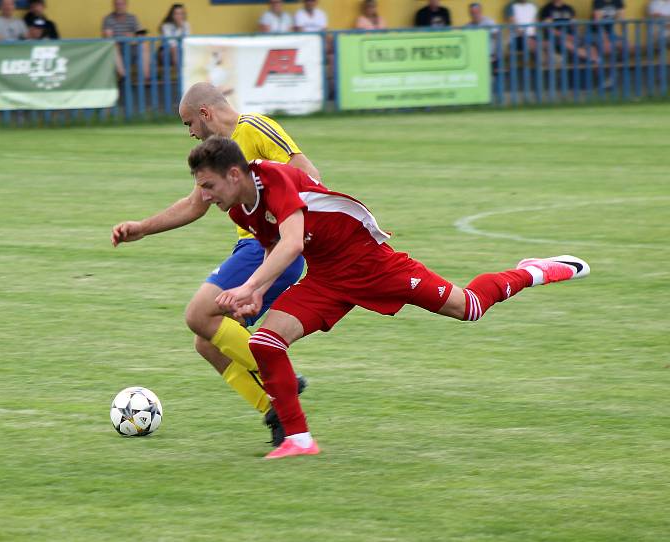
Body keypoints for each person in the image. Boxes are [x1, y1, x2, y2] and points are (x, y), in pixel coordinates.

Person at [186, 136, 590, 459]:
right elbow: (276, 246)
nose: (203, 196)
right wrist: (254, 296)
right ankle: (299, 439)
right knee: (265, 342)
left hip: (373, 264)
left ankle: (533, 271)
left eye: (208, 186)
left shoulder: (273, 178)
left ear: (234, 173)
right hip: (327, 277)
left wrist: (246, 287)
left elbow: (292, 242)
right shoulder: (240, 209)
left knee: (468, 307)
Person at [111, 82, 319, 447]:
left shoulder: (254, 128)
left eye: (189, 123)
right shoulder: (216, 154)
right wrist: (142, 228)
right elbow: (195, 204)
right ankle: (277, 413)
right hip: (251, 247)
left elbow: (311, 176)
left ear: (205, 114)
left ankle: (279, 376)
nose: (189, 132)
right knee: (206, 343)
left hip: (268, 247)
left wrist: (289, 226)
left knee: (198, 314)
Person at [102, 0, 150, 79]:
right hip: (117, 47)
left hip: (130, 46)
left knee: (144, 45)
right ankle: (123, 76)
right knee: (114, 46)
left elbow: (140, 36)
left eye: (122, 4)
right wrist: (121, 39)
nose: (119, 6)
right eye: (117, 4)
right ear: (113, 5)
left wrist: (132, 37)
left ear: (126, 5)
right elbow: (108, 38)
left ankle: (146, 77)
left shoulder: (132, 18)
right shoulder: (108, 19)